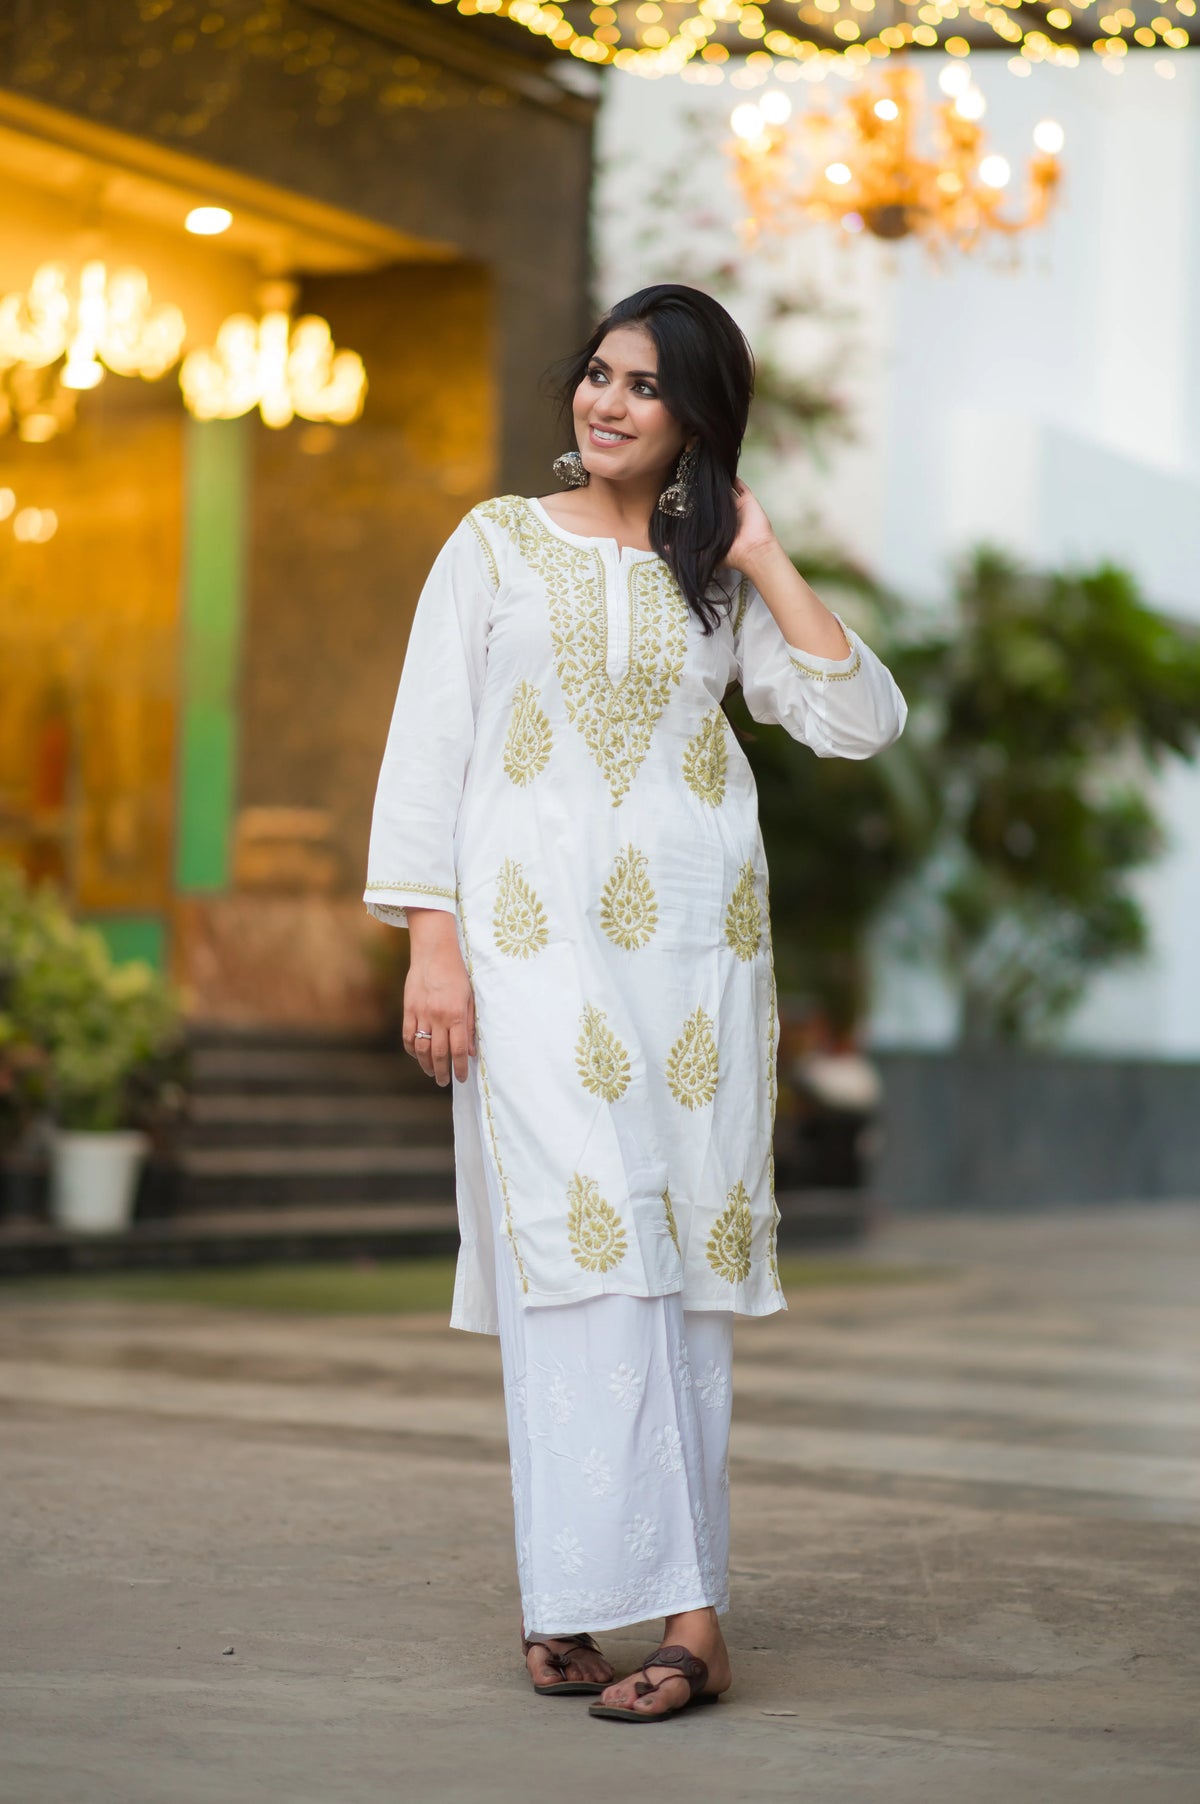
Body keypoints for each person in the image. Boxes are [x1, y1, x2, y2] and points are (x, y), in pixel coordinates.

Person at [364, 284, 906, 1723]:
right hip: (531, 952)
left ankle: (675, 1619)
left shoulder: (711, 579)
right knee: (582, 1252)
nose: (604, 402)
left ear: (696, 422)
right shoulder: (490, 548)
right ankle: (603, 1597)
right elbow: (431, 751)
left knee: (678, 1279)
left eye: (643, 387)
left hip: (694, 965)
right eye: (596, 375)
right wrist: (434, 945)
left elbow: (859, 721)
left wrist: (765, 551)